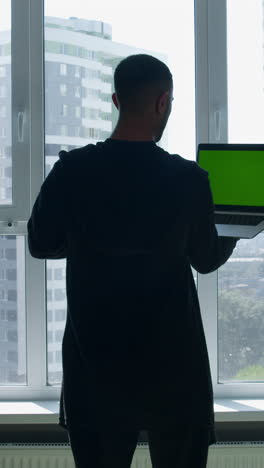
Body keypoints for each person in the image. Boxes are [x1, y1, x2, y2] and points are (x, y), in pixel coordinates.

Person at [27, 54, 238, 468]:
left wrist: (91, 241)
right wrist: (233, 230)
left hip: (97, 367)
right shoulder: (187, 179)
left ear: (115, 100)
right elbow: (206, 260)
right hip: (173, 367)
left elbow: (40, 243)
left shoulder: (73, 170)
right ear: (162, 103)